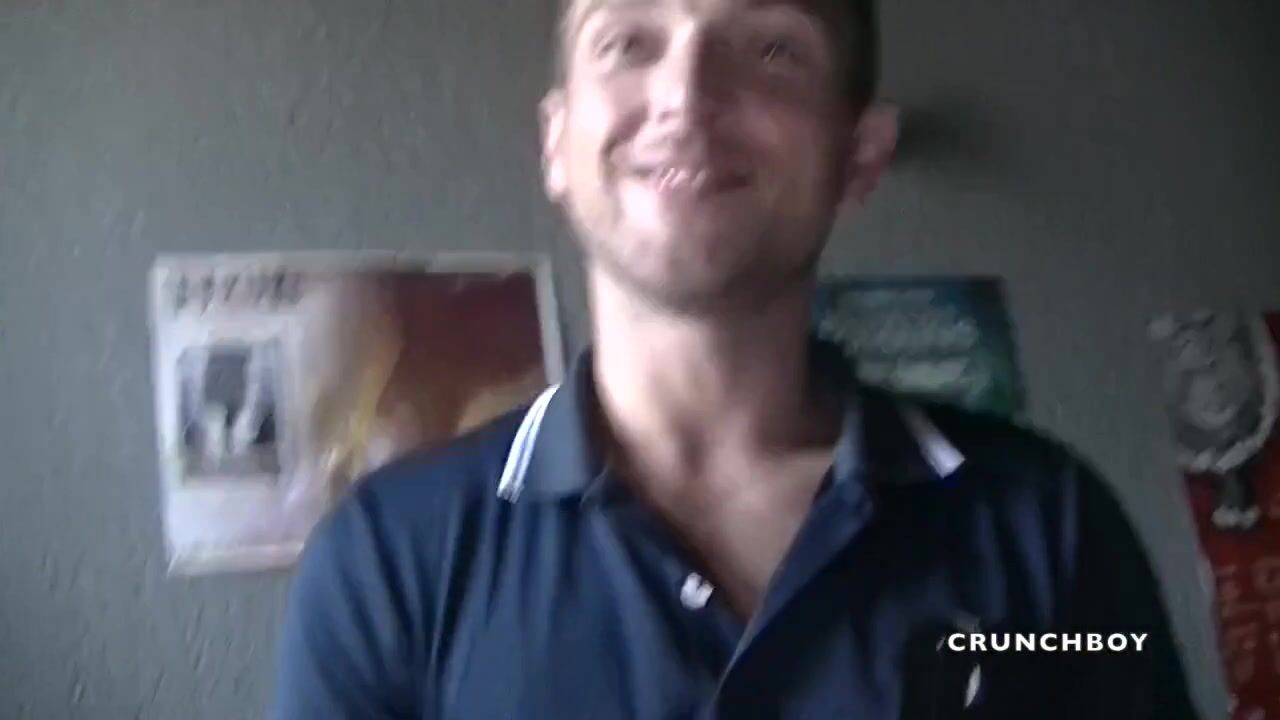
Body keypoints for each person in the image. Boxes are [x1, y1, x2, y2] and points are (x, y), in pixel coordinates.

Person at [272, 0, 1203, 717]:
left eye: (770, 48)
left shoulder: (1050, 526)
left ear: (860, 156)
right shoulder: (385, 560)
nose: (686, 95)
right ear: (557, 143)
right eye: (629, 41)